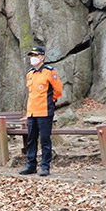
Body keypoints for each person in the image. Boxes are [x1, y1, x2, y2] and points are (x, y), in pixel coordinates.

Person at [19, 46, 63, 177]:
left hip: (44, 112)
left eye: (36, 55)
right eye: (31, 55)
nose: (33, 58)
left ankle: (45, 166)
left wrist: (50, 102)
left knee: (44, 139)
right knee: (31, 140)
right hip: (32, 113)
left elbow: (58, 91)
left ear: (42, 57)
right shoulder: (30, 74)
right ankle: (31, 165)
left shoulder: (50, 72)